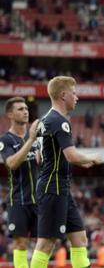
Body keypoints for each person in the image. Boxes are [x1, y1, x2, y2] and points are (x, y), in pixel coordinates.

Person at [30, 76, 103, 268]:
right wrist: (92, 157)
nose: (76, 97)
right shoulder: (59, 121)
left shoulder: (44, 121)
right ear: (63, 95)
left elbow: (40, 158)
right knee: (46, 243)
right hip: (52, 187)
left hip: (57, 186)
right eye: (74, 93)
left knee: (79, 238)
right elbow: (71, 156)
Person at [1, 97, 41, 268]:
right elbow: (11, 163)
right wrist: (30, 140)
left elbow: (40, 163)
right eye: (20, 109)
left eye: (26, 108)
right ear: (10, 114)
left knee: (46, 243)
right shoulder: (5, 140)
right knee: (21, 244)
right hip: (18, 201)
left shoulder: (36, 137)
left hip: (39, 200)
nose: (25, 111)